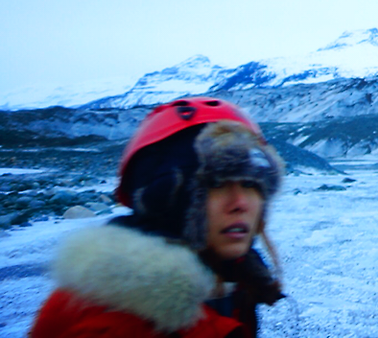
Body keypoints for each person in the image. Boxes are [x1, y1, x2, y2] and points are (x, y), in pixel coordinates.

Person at [30, 98, 286, 338]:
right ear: (164, 200)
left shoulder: (231, 280)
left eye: (251, 185)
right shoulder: (113, 323)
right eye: (217, 184)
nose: (241, 203)